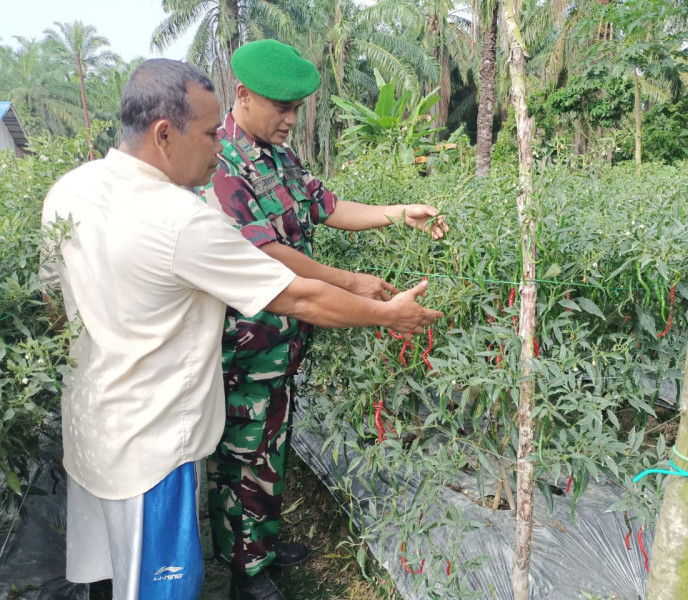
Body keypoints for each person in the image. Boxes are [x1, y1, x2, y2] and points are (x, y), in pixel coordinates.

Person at [40, 58, 442, 600]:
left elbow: (51, 302)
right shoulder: (180, 218)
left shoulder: (72, 190)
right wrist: (388, 314)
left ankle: (257, 553)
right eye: (208, 135)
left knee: (112, 573)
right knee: (159, 581)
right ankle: (246, 570)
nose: (215, 147)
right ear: (164, 134)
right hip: (149, 447)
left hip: (95, 426)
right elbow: (296, 292)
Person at [198, 39, 448, 600]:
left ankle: (261, 542)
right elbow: (268, 254)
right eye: (281, 108)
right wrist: (351, 282)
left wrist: (398, 213)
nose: (290, 119)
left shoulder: (279, 156)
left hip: (283, 343)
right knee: (244, 458)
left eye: (296, 109)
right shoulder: (223, 164)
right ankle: (246, 572)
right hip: (247, 346)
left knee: (270, 446)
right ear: (242, 94)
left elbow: (325, 205)